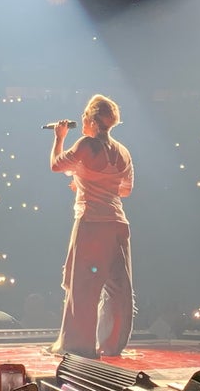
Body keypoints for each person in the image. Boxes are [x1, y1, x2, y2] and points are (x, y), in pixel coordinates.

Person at [48, 94, 134, 358]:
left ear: (93, 120)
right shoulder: (123, 151)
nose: (82, 118)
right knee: (117, 289)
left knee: (83, 287)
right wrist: (87, 181)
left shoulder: (86, 144)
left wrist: (59, 136)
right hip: (117, 224)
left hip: (91, 224)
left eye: (85, 114)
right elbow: (125, 190)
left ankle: (78, 345)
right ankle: (111, 344)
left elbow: (55, 165)